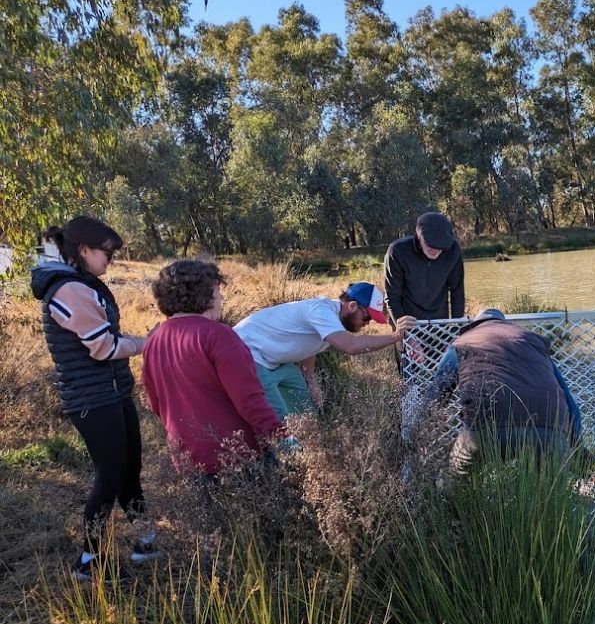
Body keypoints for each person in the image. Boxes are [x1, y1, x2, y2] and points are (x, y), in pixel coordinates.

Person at [30, 216, 154, 578]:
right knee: (110, 475)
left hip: (112, 391)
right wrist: (147, 343)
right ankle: (88, 561)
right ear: (84, 250)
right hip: (92, 399)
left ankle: (145, 541)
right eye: (107, 254)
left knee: (130, 467)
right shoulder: (69, 290)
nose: (110, 261)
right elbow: (103, 347)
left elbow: (107, 335)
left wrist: (139, 340)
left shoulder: (83, 284)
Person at [142, 260, 286, 476]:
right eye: (217, 291)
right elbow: (249, 400)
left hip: (188, 459)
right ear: (205, 294)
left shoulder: (154, 342)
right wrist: (283, 440)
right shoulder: (218, 335)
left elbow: (157, 405)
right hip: (237, 456)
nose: (221, 298)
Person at [428, 308, 582, 475]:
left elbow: (435, 395)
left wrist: (416, 440)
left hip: (486, 430)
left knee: (453, 483)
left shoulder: (462, 342)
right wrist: (576, 446)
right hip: (551, 429)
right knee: (550, 496)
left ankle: (453, 499)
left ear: (474, 325)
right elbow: (571, 405)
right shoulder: (532, 343)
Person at [233, 283, 416, 419]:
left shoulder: (333, 319)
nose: (366, 324)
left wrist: (312, 381)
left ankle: (305, 444)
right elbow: (350, 346)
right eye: (367, 317)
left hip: (273, 361)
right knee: (276, 418)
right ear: (352, 306)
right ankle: (284, 459)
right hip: (247, 354)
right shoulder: (321, 310)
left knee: (304, 408)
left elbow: (310, 344)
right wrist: (395, 337)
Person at [382, 211, 466, 324]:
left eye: (441, 247)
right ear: (419, 237)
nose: (436, 250)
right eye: (430, 245)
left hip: (440, 322)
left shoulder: (453, 250)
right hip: (408, 321)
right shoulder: (397, 251)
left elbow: (457, 292)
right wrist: (403, 330)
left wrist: (458, 325)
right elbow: (392, 296)